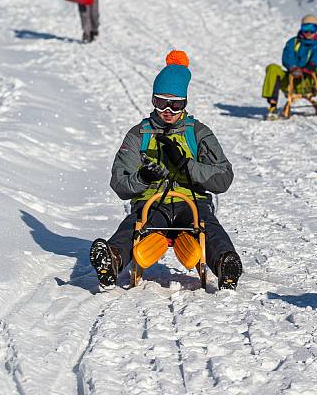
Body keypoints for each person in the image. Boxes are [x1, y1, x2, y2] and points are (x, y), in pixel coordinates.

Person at [89, 50, 243, 290]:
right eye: (162, 103)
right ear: (153, 101)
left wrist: (187, 165)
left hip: (191, 201)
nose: (168, 111)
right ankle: (112, 260)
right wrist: (143, 178)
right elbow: (119, 182)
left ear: (185, 104)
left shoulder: (197, 133)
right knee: (137, 224)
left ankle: (226, 264)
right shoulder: (139, 135)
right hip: (152, 201)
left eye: (175, 104)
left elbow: (223, 179)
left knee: (206, 225)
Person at [262, 14, 317, 117]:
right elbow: (288, 56)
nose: (309, 32)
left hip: (310, 81)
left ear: (316, 30)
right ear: (301, 28)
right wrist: (292, 67)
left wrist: (311, 66)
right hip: (291, 80)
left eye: (312, 29)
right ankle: (273, 105)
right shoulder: (293, 43)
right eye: (306, 28)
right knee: (272, 68)